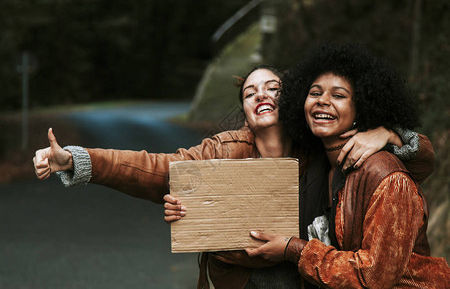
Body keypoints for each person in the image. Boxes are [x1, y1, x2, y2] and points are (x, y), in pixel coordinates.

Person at [34, 65, 434, 289]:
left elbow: (415, 164)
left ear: (291, 97)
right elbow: (152, 169)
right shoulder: (221, 150)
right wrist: (74, 160)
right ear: (244, 110)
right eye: (250, 92)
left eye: (273, 87)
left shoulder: (319, 145)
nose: (261, 95)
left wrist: (391, 133)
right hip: (242, 284)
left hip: (314, 279)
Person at [242, 43, 449, 288]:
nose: (323, 101)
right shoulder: (314, 163)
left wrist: (293, 249)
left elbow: (373, 277)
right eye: (315, 93)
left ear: (361, 107)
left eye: (338, 95)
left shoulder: (386, 176)